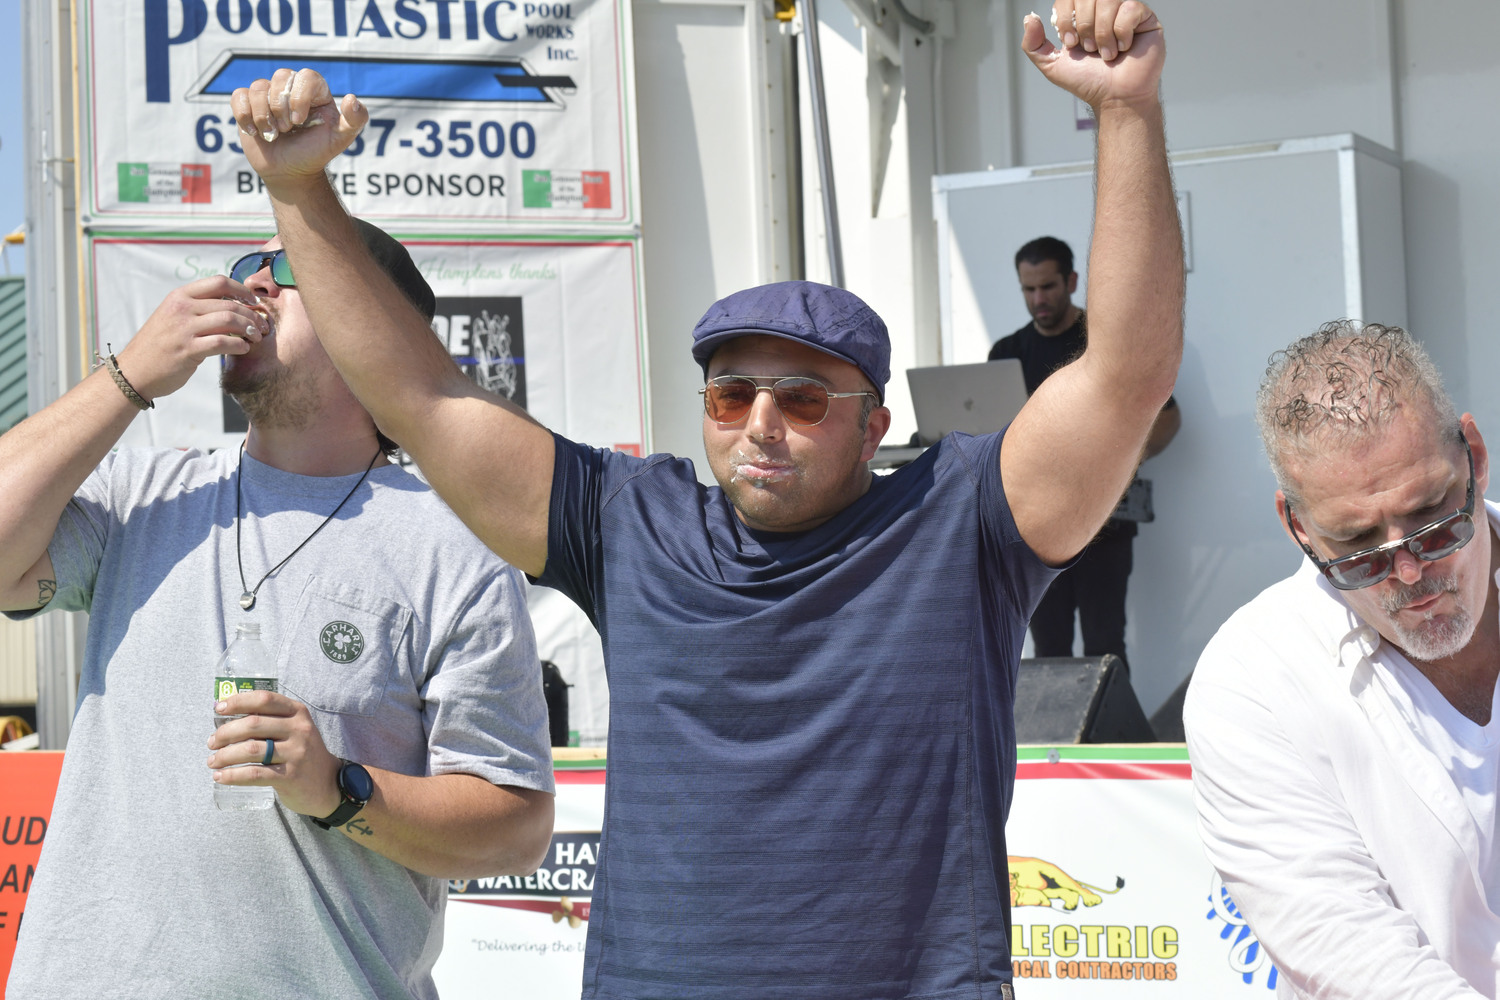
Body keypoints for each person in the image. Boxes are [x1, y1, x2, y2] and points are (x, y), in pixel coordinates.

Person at [228, 1, 1181, 995]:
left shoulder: (959, 520)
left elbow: (1126, 376)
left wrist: (1125, 112)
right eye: (732, 394)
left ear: (873, 420)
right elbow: (422, 397)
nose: (760, 423)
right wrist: (299, 193)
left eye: (804, 397)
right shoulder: (628, 523)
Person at [0, 222, 556, 1000]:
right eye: (246, 265)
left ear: (375, 327)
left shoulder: (455, 549)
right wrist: (128, 377)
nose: (252, 284)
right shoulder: (145, 495)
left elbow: (517, 827)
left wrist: (338, 787)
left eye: (285, 268)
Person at [1184, 321, 1500, 998]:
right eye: (1359, 550)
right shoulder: (1252, 681)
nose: (1412, 572)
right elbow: (1345, 949)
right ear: (1298, 527)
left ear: (1473, 454)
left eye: (1435, 519)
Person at [989, 236, 1180, 669]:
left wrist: (1114, 458)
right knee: (1047, 648)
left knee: (1104, 642)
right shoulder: (1006, 353)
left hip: (1105, 522)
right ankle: (1057, 741)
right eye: (1028, 289)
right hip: (1034, 526)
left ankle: (1113, 738)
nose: (1038, 299)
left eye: (1048, 286)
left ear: (1072, 280)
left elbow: (1168, 419)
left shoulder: (1108, 343)